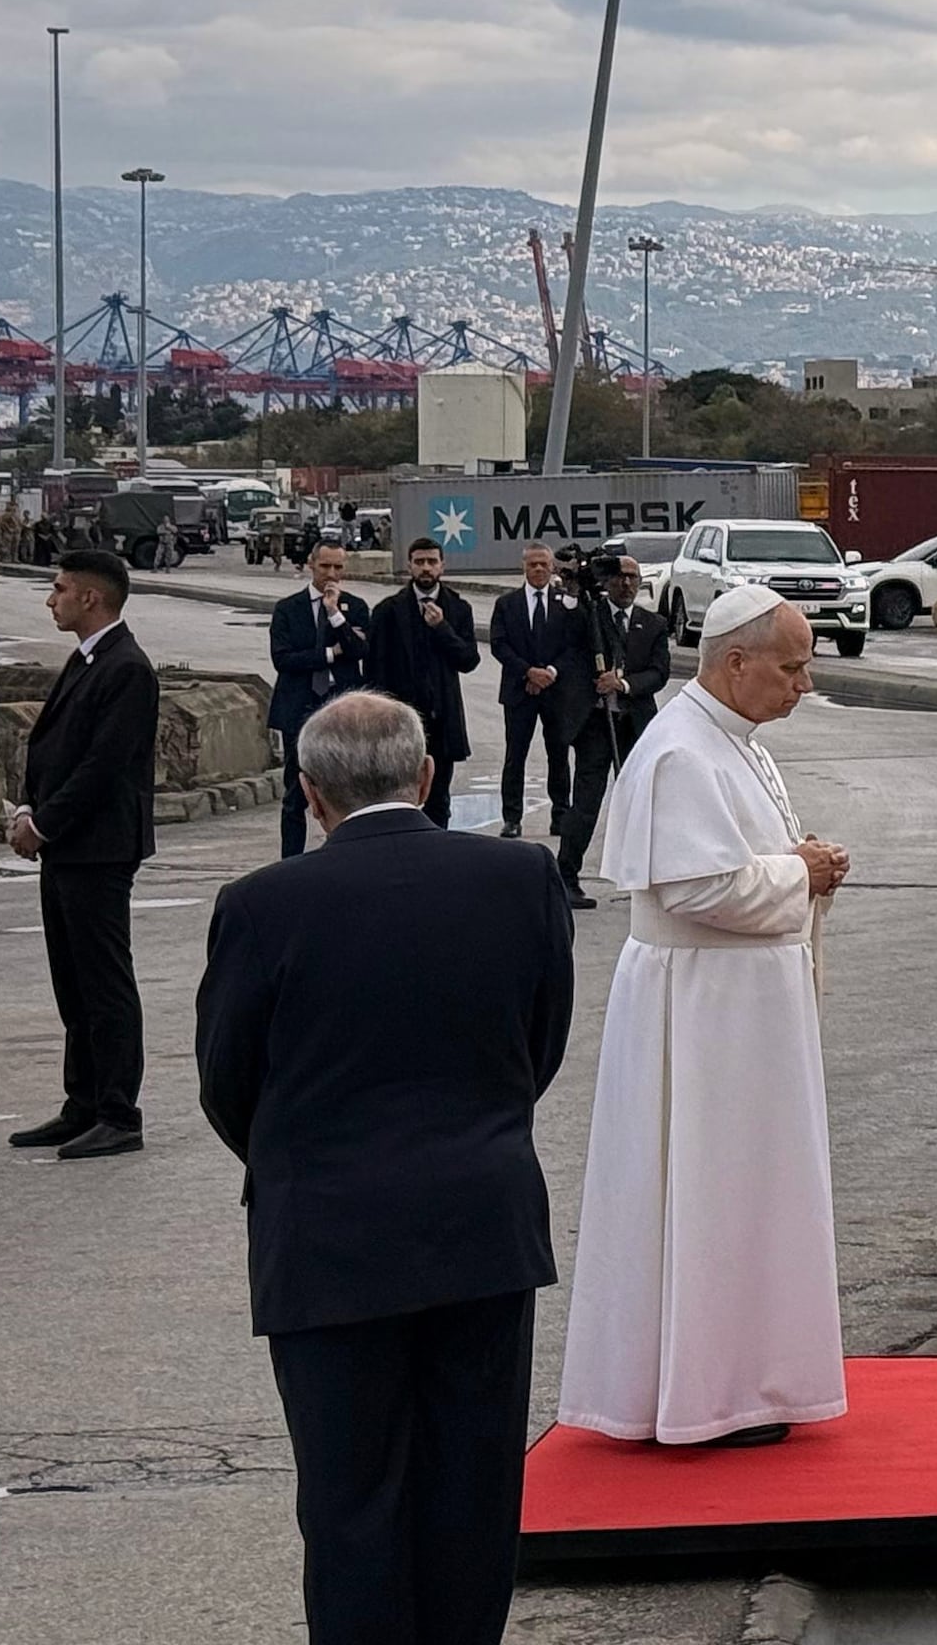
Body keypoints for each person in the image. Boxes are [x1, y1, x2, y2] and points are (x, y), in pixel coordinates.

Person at [195, 692, 575, 1645]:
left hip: (327, 1240)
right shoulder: (519, 878)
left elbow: (228, 1081)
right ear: (428, 775)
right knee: (473, 1491)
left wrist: (305, 1160)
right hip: (479, 1226)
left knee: (349, 1502)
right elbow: (538, 1047)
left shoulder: (261, 906)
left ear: (310, 793)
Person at [558, 586, 855, 1448]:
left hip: (739, 1010)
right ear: (735, 663)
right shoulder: (682, 751)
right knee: (709, 1196)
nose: (804, 685)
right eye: (792, 668)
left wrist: (801, 864)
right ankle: (706, 1395)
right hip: (703, 1015)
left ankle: (746, 1380)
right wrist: (801, 872)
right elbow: (694, 887)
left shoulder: (732, 739)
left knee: (749, 1194)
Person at [7, 548, 161, 1160]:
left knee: (104, 983)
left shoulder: (127, 668)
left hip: (98, 849)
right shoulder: (87, 658)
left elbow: (103, 766)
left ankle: (119, 1113)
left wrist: (43, 826)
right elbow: (53, 746)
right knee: (72, 982)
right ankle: (84, 1103)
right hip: (68, 848)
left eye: (60, 589)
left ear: (91, 597)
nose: (52, 600)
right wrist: (28, 807)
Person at [550, 549, 673, 909]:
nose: (626, 584)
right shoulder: (589, 615)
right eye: (619, 576)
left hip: (634, 723)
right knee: (586, 803)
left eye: (632, 577)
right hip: (594, 725)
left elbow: (659, 672)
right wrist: (573, 592)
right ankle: (566, 877)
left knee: (644, 802)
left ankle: (652, 876)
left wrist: (623, 684)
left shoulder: (653, 624)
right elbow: (563, 634)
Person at [268, 542, 378, 859]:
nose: (331, 574)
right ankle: (290, 860)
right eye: (325, 566)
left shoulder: (355, 607)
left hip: (340, 708)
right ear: (311, 565)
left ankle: (346, 855)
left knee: (348, 787)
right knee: (296, 792)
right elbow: (284, 659)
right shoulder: (288, 609)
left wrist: (334, 614)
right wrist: (330, 654)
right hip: (300, 707)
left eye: (338, 567)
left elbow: (359, 651)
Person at [367, 538, 482, 826]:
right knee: (396, 795)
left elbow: (469, 660)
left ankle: (436, 848)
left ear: (442, 565)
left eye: (432, 562)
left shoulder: (458, 608)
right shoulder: (388, 610)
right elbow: (374, 670)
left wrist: (442, 628)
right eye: (420, 562)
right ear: (410, 566)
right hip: (400, 720)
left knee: (439, 798)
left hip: (442, 719)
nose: (426, 568)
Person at [488, 545, 584, 841]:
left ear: (552, 567)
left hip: (556, 692)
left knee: (559, 755)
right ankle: (512, 818)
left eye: (543, 564)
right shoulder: (507, 604)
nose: (539, 569)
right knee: (515, 756)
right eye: (533, 564)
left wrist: (550, 673)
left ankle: (561, 815)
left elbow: (574, 645)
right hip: (519, 691)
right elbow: (499, 644)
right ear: (524, 567)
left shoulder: (564, 604)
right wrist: (528, 672)